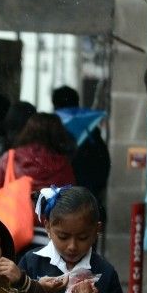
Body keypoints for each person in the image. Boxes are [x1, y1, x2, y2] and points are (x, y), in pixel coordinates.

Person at [0, 112, 76, 252]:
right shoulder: (64, 164)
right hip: (50, 236)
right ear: (58, 135)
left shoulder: (10, 158)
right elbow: (72, 202)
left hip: (13, 232)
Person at [52, 85, 111, 221]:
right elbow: (104, 165)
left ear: (55, 106)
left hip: (60, 208)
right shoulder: (90, 132)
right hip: (88, 206)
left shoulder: (54, 133)